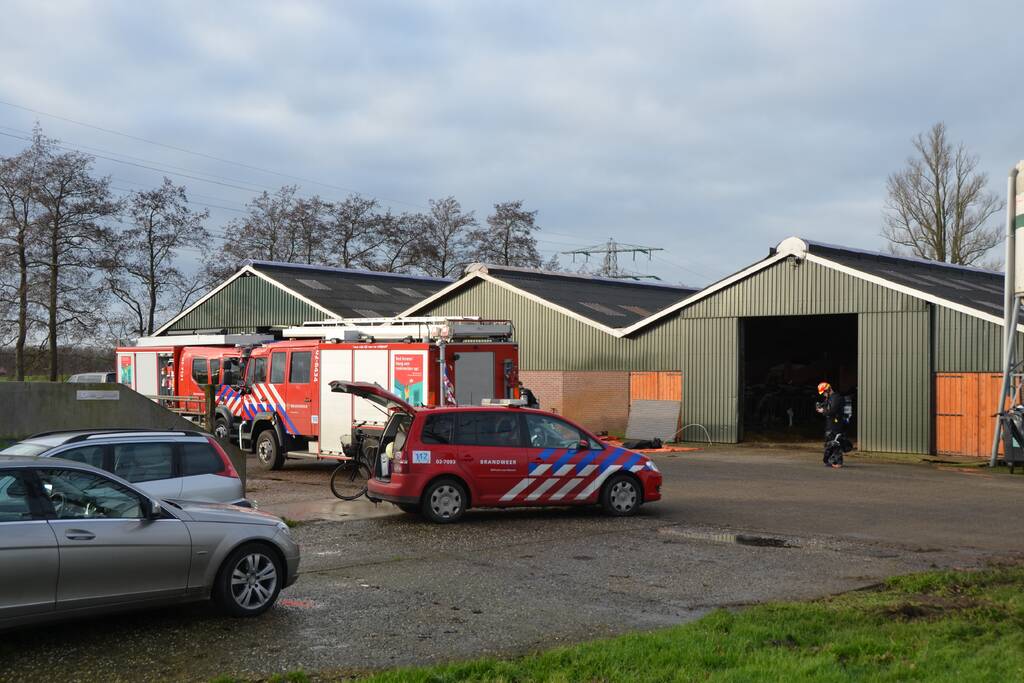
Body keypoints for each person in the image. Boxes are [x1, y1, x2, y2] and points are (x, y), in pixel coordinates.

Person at [815, 381, 843, 468]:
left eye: (823, 393)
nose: (823, 395)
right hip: (830, 423)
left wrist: (823, 411)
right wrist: (820, 407)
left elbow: (832, 411)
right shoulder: (829, 398)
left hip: (835, 423)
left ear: (828, 390)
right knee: (829, 441)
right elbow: (826, 406)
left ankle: (837, 462)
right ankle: (829, 460)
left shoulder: (836, 398)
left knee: (835, 442)